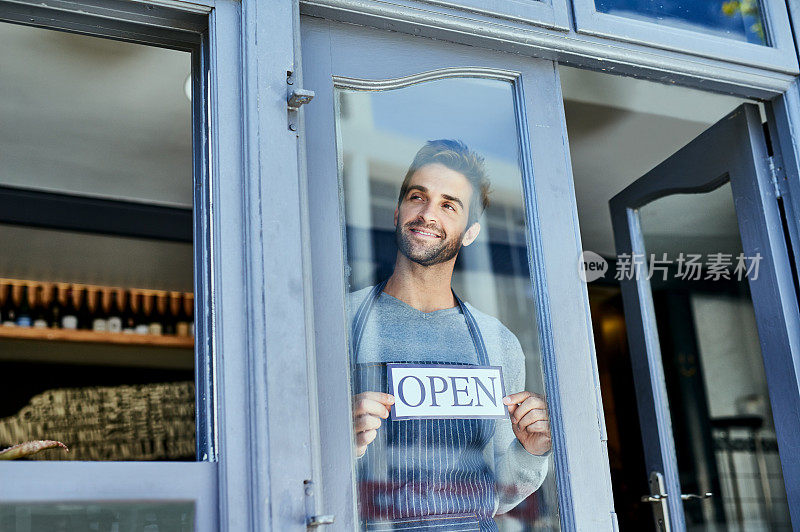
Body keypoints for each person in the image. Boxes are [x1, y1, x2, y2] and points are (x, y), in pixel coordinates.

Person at [349, 139, 551, 531]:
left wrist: (531, 451)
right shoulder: (339, 321)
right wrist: (341, 444)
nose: (427, 214)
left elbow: (500, 489)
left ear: (471, 232)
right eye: (417, 197)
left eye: (448, 205)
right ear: (396, 212)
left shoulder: (498, 343)